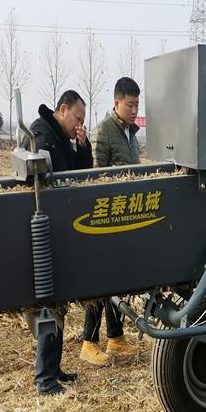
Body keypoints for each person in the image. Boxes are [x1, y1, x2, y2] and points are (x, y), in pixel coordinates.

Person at [26, 90, 93, 395]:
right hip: (42, 228)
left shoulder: (62, 139)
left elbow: (78, 174)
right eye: (77, 118)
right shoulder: (41, 134)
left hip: (58, 227)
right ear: (63, 109)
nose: (78, 124)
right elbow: (42, 180)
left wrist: (82, 146)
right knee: (48, 305)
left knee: (58, 303)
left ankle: (54, 369)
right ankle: (45, 379)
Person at [79, 77, 142, 366]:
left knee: (117, 277)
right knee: (100, 279)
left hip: (128, 215)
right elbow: (96, 177)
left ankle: (115, 338)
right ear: (116, 103)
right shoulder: (102, 133)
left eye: (137, 104)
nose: (134, 109)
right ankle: (89, 342)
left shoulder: (132, 134)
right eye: (130, 104)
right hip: (106, 216)